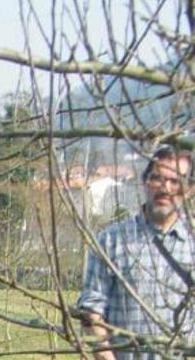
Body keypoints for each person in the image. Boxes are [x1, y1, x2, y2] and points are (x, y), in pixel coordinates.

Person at [78, 146, 195, 359]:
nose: (165, 188)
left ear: (189, 190)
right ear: (145, 182)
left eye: (175, 181)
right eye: (156, 178)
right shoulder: (111, 240)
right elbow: (91, 309)